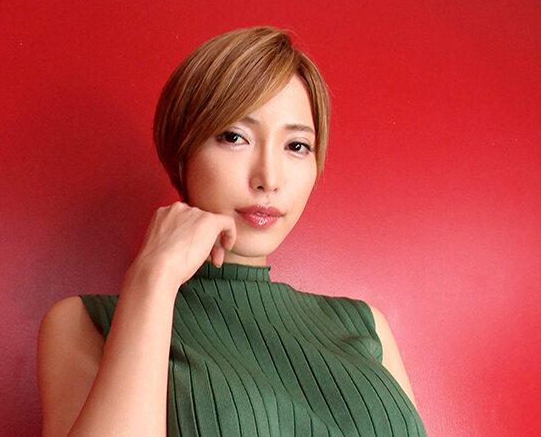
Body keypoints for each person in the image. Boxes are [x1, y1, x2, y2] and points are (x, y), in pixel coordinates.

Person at [37, 26, 426, 436]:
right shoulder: (86, 322)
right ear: (183, 153)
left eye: (296, 146)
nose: (268, 178)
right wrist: (153, 277)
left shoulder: (365, 325)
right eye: (234, 137)